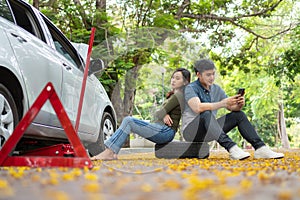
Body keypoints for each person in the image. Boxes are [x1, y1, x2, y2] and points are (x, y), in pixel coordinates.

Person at [182, 59, 284, 160]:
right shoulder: (191, 88)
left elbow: (231, 107)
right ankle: (232, 148)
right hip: (191, 132)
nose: (212, 78)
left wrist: (239, 104)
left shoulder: (216, 89)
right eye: (208, 75)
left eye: (213, 74)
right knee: (206, 113)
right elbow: (197, 108)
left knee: (238, 115)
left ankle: (260, 148)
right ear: (198, 74)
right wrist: (222, 103)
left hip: (209, 131)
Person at [91, 68, 191, 160]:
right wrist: (163, 114)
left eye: (177, 78)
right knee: (129, 121)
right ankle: (111, 152)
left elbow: (158, 114)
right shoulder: (174, 95)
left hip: (165, 131)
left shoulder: (178, 96)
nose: (173, 80)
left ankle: (109, 152)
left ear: (185, 82)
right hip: (162, 130)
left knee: (129, 121)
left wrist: (163, 113)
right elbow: (158, 114)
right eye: (173, 77)